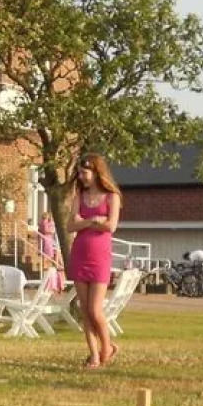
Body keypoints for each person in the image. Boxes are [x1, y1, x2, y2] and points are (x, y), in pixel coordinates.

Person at [66, 154, 122, 369]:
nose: (81, 177)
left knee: (94, 309)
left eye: (84, 173)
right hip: (80, 254)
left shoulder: (111, 196)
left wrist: (86, 222)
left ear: (96, 172)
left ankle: (107, 346)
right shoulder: (80, 195)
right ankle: (94, 355)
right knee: (84, 308)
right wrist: (92, 221)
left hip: (100, 258)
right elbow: (71, 225)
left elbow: (111, 226)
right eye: (79, 173)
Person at [36, 213, 65, 293]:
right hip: (48, 243)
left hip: (54, 243)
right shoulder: (44, 223)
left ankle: (59, 284)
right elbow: (46, 230)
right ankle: (51, 283)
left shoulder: (53, 223)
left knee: (58, 263)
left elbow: (52, 231)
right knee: (48, 261)